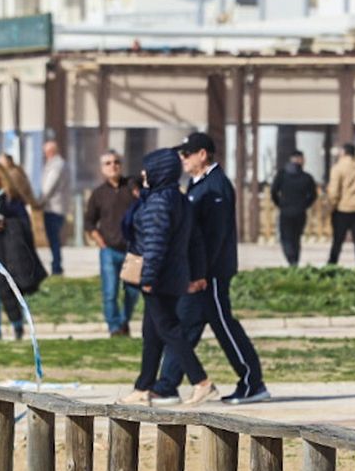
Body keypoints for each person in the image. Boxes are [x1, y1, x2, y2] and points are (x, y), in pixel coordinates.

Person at [156, 132, 269, 405]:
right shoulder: (199, 185)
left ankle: (253, 383)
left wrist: (200, 273)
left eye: (187, 154)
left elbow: (214, 237)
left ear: (202, 155)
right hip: (197, 273)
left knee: (224, 325)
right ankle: (167, 384)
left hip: (211, 274)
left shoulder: (215, 186)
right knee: (185, 324)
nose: (182, 159)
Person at [126, 149, 217, 406]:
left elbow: (155, 244)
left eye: (147, 168)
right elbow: (196, 240)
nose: (143, 174)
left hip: (159, 277)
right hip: (175, 275)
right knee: (152, 331)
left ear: (159, 170)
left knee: (169, 329)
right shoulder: (179, 199)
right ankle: (143, 386)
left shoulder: (158, 202)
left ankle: (201, 382)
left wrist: (148, 277)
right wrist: (197, 273)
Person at [0, 162, 46, 340]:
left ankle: (18, 324)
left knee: (11, 287)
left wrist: (6, 224)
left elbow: (24, 225)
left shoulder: (12, 200)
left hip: (7, 249)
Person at [84, 149, 139, 337]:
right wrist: (100, 241)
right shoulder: (98, 194)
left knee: (132, 292)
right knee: (110, 292)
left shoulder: (131, 187)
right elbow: (89, 221)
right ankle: (114, 327)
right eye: (107, 163)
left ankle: (124, 321)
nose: (112, 166)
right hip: (109, 251)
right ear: (102, 168)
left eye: (116, 162)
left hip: (132, 249)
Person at [325, 142, 355, 267]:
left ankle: (332, 264)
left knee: (337, 240)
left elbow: (334, 191)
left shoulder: (338, 168)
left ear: (343, 152)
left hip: (342, 209)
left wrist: (332, 205)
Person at [270, 150, 318, 267]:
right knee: (296, 238)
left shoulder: (282, 175)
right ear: (301, 160)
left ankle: (291, 259)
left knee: (285, 237)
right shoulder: (307, 177)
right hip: (300, 212)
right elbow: (313, 195)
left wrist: (280, 204)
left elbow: (273, 191)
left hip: (285, 211)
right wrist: (304, 205)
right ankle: (295, 260)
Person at [38, 139, 70, 277]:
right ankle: (56, 265)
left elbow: (48, 186)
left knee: (54, 239)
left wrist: (39, 201)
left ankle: (57, 267)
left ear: (50, 152)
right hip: (57, 206)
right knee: (54, 239)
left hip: (53, 207)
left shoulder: (56, 165)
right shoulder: (59, 164)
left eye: (45, 152)